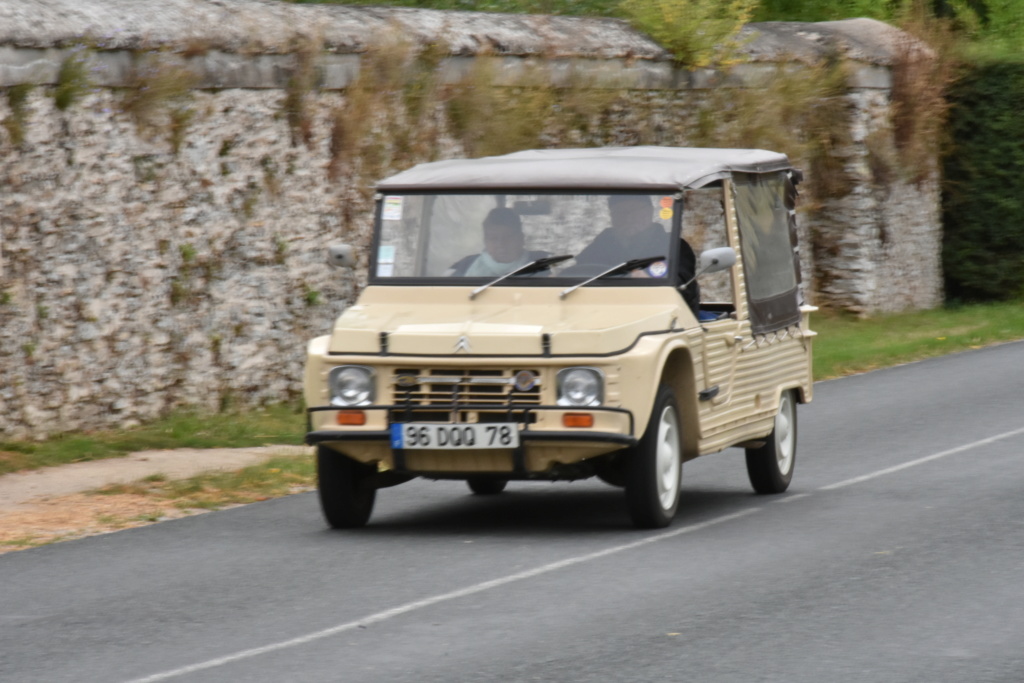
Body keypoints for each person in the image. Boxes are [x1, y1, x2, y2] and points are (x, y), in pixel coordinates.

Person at [576, 195, 700, 315]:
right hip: (604, 312)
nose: (628, 218)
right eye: (620, 213)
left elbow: (685, 287)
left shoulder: (672, 245)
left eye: (635, 211)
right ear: (612, 216)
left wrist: (651, 279)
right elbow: (578, 271)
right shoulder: (602, 244)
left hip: (661, 315)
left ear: (649, 212)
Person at [448, 207, 548, 277]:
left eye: (508, 237)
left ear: (521, 239)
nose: (501, 244)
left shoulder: (543, 267)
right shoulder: (464, 267)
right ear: (485, 241)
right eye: (493, 238)